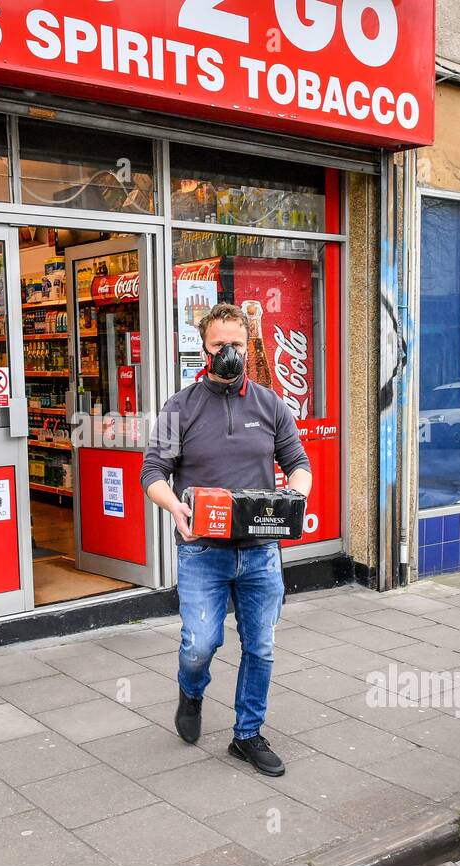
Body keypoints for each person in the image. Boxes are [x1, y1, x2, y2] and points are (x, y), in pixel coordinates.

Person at [141, 302, 312, 776]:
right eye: (220, 345)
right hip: (202, 552)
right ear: (204, 347)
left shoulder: (270, 403)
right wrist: (174, 507)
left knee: (260, 647)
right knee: (200, 645)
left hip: (260, 550)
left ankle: (247, 735)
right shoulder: (180, 407)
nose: (229, 353)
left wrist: (294, 499)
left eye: (237, 344)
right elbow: (153, 472)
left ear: (248, 345)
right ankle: (191, 692)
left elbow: (298, 462)